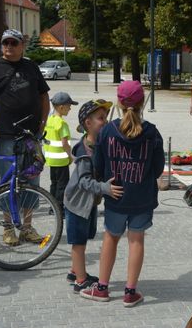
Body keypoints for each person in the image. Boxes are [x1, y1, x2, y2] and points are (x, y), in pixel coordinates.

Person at [81, 80, 164, 307]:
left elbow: (97, 164)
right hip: (143, 196)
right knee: (136, 240)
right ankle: (130, 292)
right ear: (143, 102)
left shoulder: (107, 130)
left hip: (115, 195)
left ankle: (103, 288)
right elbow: (157, 168)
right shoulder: (152, 132)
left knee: (110, 237)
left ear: (118, 102)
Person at [0, 29, 50, 246]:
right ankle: (8, 227)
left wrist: (43, 122)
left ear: (21, 45)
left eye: (13, 43)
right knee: (7, 182)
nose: (9, 46)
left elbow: (44, 96)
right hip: (5, 135)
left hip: (31, 136)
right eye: (5, 42)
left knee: (31, 178)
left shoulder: (31, 67)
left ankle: (26, 227)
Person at [64, 99, 123, 293]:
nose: (105, 121)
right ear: (88, 124)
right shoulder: (84, 152)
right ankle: (80, 281)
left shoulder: (97, 144)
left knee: (85, 236)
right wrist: (105, 188)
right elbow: (84, 182)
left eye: (105, 117)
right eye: (100, 118)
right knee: (78, 242)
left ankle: (75, 270)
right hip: (77, 204)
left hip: (88, 204)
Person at [44, 92, 78, 213]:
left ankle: (52, 207)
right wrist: (70, 157)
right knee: (62, 186)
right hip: (61, 160)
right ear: (61, 107)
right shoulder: (62, 124)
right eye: (69, 106)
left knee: (54, 184)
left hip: (51, 159)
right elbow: (64, 143)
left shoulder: (50, 120)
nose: (70, 108)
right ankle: (59, 209)